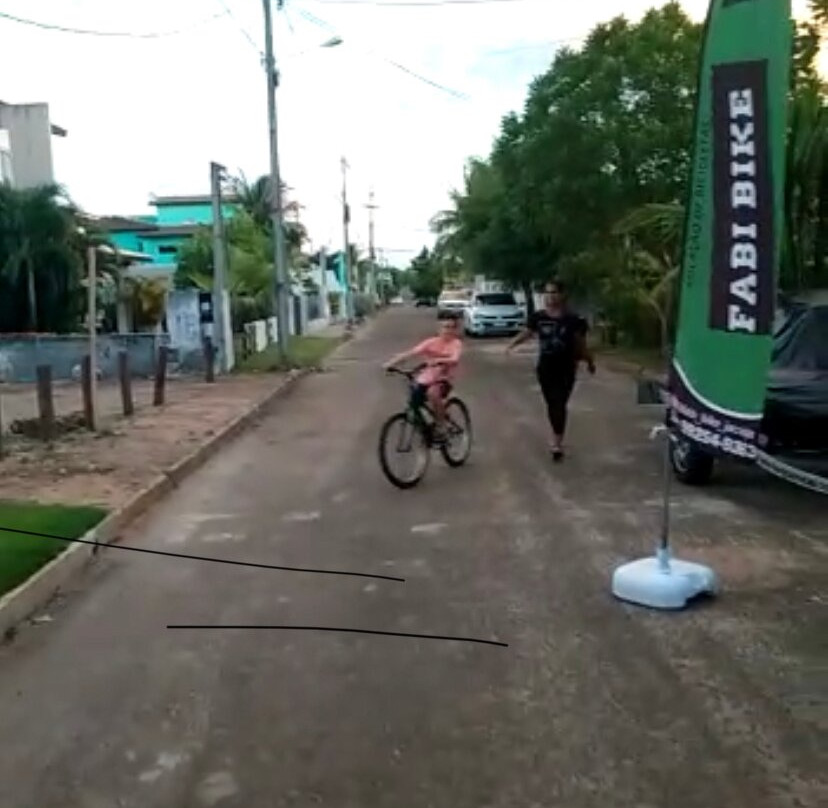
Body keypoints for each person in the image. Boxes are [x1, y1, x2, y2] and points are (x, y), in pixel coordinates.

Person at [505, 281, 595, 461]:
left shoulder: (574, 320)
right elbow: (528, 332)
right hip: (545, 367)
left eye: (554, 293)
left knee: (559, 403)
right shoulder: (538, 317)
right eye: (547, 293)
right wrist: (512, 345)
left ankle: (557, 443)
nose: (550, 297)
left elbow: (581, 344)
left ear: (562, 295)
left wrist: (590, 361)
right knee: (552, 403)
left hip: (567, 367)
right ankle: (557, 436)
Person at [383, 313, 463, 439]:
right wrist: (390, 364)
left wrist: (439, 361)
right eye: (444, 327)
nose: (447, 331)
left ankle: (441, 425)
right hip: (427, 378)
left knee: (432, 393)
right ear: (438, 328)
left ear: (455, 330)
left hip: (443, 379)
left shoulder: (455, 344)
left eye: (451, 327)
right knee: (414, 398)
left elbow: (455, 359)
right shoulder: (431, 342)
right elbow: (410, 353)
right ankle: (424, 429)